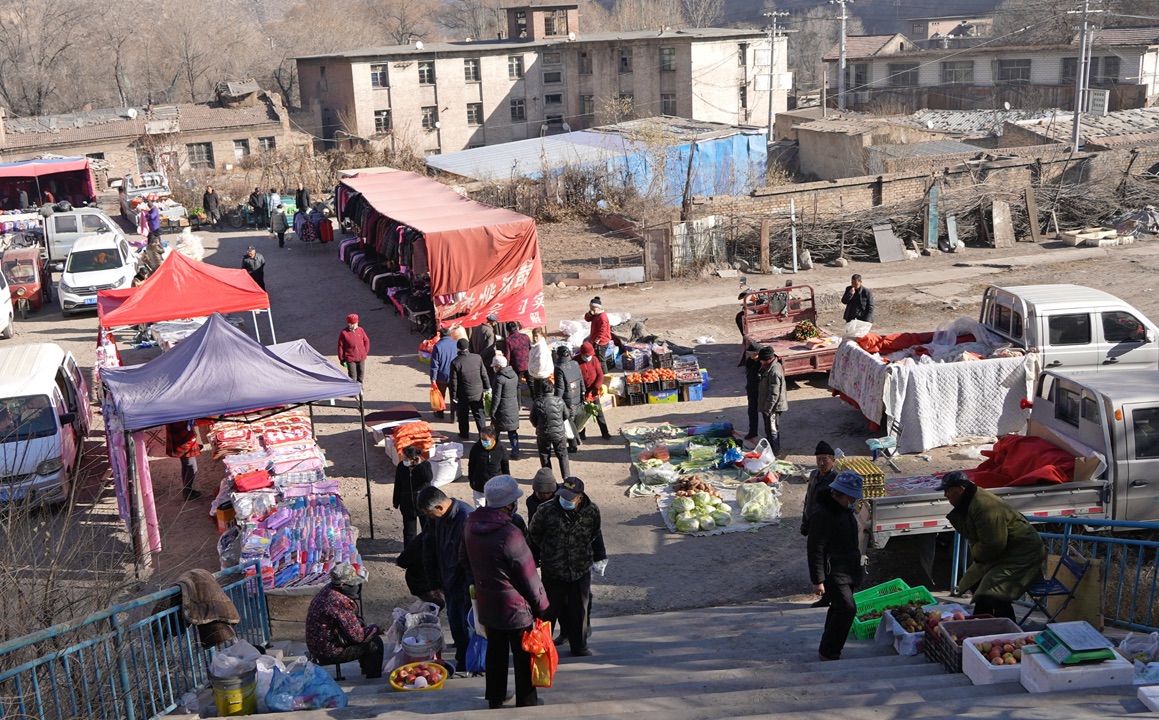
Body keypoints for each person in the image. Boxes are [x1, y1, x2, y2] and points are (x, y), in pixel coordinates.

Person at [460, 475, 550, 709]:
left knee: (495, 651)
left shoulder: (469, 524)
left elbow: (463, 559)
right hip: (515, 606)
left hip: (487, 602)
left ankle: (495, 697)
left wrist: (483, 581)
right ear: (509, 503)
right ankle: (527, 700)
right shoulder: (511, 533)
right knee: (523, 655)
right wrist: (542, 605)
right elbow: (528, 575)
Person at [941, 472, 1046, 622]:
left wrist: (976, 552)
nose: (945, 495)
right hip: (1005, 551)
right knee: (975, 583)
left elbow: (993, 544)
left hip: (1022, 553)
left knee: (994, 592)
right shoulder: (971, 501)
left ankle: (1007, 632)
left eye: (947, 490)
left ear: (960, 489)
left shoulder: (984, 506)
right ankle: (981, 624)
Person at [528, 477, 606, 657]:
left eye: (570, 498)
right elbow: (534, 535)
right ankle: (541, 647)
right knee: (547, 611)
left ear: (580, 497)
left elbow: (595, 533)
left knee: (580, 610)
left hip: (580, 570)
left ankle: (579, 646)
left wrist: (599, 556)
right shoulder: (545, 510)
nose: (565, 500)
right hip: (553, 570)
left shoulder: (592, 511)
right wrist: (546, 553)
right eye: (563, 496)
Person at [808, 471, 865, 661]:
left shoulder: (844, 510)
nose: (857, 501)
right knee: (847, 608)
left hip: (848, 569)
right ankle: (829, 651)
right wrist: (818, 580)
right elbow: (815, 548)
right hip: (834, 572)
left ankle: (828, 648)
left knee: (838, 608)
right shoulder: (823, 515)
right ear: (847, 495)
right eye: (855, 497)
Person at [418, 486, 473, 674]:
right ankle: (462, 660)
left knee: (467, 629)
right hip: (448, 583)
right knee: (456, 626)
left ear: (439, 508)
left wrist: (468, 592)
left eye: (430, 513)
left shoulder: (465, 518)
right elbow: (430, 547)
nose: (429, 518)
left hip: (463, 586)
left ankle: (469, 664)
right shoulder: (439, 520)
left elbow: (470, 562)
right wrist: (434, 583)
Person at [304, 563, 383, 679]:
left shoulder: (327, 590)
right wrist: (375, 629)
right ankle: (372, 679)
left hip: (317, 644)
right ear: (341, 584)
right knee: (375, 642)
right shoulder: (339, 601)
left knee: (364, 629)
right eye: (351, 584)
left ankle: (366, 669)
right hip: (328, 650)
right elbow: (358, 636)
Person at [449, 337, 490, 440]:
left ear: (458, 348)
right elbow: (484, 374)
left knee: (463, 415)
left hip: (463, 394)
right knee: (479, 414)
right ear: (467, 347)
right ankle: (484, 434)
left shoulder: (455, 362)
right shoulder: (477, 358)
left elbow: (453, 382)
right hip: (477, 392)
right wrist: (487, 387)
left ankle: (464, 434)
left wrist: (453, 395)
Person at [393, 445, 432, 548]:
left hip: (423, 504)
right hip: (407, 504)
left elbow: (428, 478)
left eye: (406, 458)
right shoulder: (401, 466)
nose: (403, 460)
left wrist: (420, 465)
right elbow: (398, 484)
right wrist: (396, 501)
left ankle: (428, 550)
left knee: (427, 529)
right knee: (409, 532)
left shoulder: (425, 465)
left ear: (414, 459)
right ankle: (410, 553)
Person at [396, 530, 444, 611]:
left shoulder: (424, 536)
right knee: (439, 603)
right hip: (422, 582)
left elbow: (402, 561)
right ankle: (424, 618)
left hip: (421, 580)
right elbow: (402, 561)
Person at [531, 389, 571, 479]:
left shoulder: (537, 402)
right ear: (553, 390)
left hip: (543, 433)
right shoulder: (559, 401)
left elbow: (532, 418)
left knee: (544, 455)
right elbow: (566, 415)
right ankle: (566, 477)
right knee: (563, 455)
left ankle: (548, 478)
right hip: (559, 433)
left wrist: (538, 426)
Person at [575, 341, 610, 441]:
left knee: (599, 412)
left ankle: (605, 432)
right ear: (581, 354)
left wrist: (596, 388)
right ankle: (581, 434)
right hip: (581, 392)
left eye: (590, 355)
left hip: (594, 392)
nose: (588, 357)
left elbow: (600, 375)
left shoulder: (594, 360)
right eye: (586, 355)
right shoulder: (575, 361)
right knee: (581, 414)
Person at [756, 346, 788, 456]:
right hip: (768, 406)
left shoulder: (774, 372)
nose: (760, 362)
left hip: (773, 408)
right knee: (768, 429)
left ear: (768, 359)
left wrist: (767, 409)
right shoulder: (770, 368)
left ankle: (775, 452)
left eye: (762, 360)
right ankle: (770, 448)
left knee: (773, 429)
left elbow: (774, 394)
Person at [468, 427, 510, 508]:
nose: (483, 441)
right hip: (479, 483)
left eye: (485, 439)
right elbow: (471, 465)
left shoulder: (501, 448)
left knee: (496, 507)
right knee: (479, 508)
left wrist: (507, 480)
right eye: (481, 438)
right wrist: (471, 479)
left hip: (496, 484)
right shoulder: (476, 448)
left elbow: (505, 465)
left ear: (493, 438)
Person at [490, 355, 522, 458]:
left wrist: (492, 411)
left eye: (495, 366)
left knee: (496, 431)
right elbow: (518, 391)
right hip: (513, 407)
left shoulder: (499, 379)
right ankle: (515, 451)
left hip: (502, 409)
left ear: (498, 366)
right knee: (513, 432)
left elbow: (496, 397)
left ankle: (494, 450)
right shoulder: (514, 375)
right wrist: (519, 404)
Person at [553, 345, 583, 453]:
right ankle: (576, 440)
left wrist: (557, 400)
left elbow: (560, 387)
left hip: (567, 399)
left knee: (568, 421)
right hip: (576, 396)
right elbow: (580, 379)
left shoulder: (559, 368)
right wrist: (582, 392)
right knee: (572, 420)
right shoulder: (575, 363)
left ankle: (574, 443)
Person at [165, 420, 202, 501]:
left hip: (182, 438)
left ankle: (187, 490)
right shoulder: (177, 418)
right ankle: (187, 493)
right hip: (183, 440)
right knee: (192, 467)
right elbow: (182, 431)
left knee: (186, 465)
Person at [429, 327, 457, 420]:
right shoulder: (456, 344)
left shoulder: (437, 346)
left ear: (440, 335)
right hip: (454, 375)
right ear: (450, 335)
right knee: (454, 396)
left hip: (441, 376)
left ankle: (440, 413)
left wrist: (433, 378)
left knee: (441, 396)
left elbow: (434, 364)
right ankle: (454, 416)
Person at [337, 314, 371, 383]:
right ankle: (353, 392)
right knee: (352, 376)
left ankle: (360, 388)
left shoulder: (360, 330)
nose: (356, 324)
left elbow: (366, 341)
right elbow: (340, 346)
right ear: (350, 324)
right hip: (350, 358)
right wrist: (341, 358)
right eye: (354, 323)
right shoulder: (344, 333)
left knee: (361, 374)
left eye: (356, 323)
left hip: (361, 357)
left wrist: (365, 351)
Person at [740, 342, 762, 441]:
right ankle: (752, 431)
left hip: (761, 392)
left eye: (751, 353)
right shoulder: (750, 361)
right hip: (752, 391)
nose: (750, 355)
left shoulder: (762, 363)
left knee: (766, 416)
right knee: (752, 412)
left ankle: (770, 437)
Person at [584, 297, 612, 374]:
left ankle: (605, 376)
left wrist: (597, 341)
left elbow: (602, 331)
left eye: (591, 307)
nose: (590, 309)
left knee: (601, 360)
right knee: (596, 358)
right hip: (594, 339)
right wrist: (590, 314)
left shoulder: (602, 317)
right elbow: (587, 318)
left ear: (596, 307)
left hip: (601, 342)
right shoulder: (595, 314)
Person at [471, 314, 500, 384]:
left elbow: (470, 344)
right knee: (489, 380)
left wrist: (475, 356)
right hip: (487, 361)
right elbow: (489, 348)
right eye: (495, 322)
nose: (496, 324)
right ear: (492, 322)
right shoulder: (490, 331)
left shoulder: (476, 329)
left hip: (476, 359)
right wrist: (480, 357)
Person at [503, 322, 531, 393]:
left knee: (518, 385)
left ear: (508, 330)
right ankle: (536, 400)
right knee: (531, 383)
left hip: (517, 366)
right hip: (528, 364)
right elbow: (530, 349)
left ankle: (518, 403)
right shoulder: (525, 336)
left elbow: (508, 356)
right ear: (516, 328)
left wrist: (507, 368)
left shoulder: (508, 340)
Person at [527, 328, 554, 399]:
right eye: (533, 336)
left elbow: (540, 365)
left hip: (542, 376)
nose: (534, 338)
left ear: (541, 336)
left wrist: (530, 367)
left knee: (541, 397)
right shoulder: (536, 346)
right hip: (538, 376)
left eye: (536, 336)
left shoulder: (541, 348)